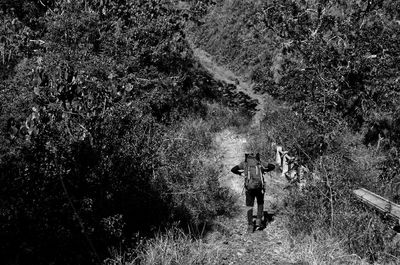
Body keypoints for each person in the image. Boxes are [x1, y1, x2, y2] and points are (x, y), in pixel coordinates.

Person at [231, 153, 275, 233]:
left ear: (247, 157)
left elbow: (233, 169)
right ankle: (258, 221)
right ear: (256, 157)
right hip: (259, 188)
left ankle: (250, 225)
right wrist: (264, 171)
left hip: (249, 189)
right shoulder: (260, 163)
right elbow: (272, 166)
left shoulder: (244, 163)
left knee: (249, 206)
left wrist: (240, 173)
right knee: (260, 203)